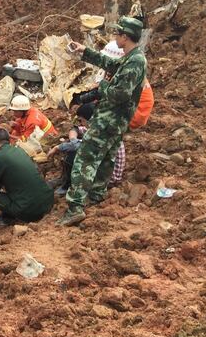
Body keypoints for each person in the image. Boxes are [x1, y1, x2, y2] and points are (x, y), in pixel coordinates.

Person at [58, 16, 147, 226]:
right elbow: (109, 63)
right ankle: (97, 194)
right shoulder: (131, 57)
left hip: (109, 119)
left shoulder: (135, 61)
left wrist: (102, 87)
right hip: (116, 121)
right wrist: (84, 51)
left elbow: (120, 94)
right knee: (107, 157)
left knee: (85, 159)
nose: (115, 36)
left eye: (118, 34)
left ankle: (75, 207)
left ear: (125, 37)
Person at [0, 129, 54, 233]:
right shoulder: (19, 150)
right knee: (14, 186)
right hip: (46, 203)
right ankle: (7, 217)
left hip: (29, 210)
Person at [47, 125, 84, 196]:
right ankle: (64, 179)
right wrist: (73, 140)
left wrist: (57, 148)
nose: (81, 122)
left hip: (102, 176)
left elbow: (79, 145)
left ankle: (69, 185)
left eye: (81, 120)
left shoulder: (99, 130)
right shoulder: (92, 125)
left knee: (72, 153)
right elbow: (76, 129)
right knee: (71, 146)